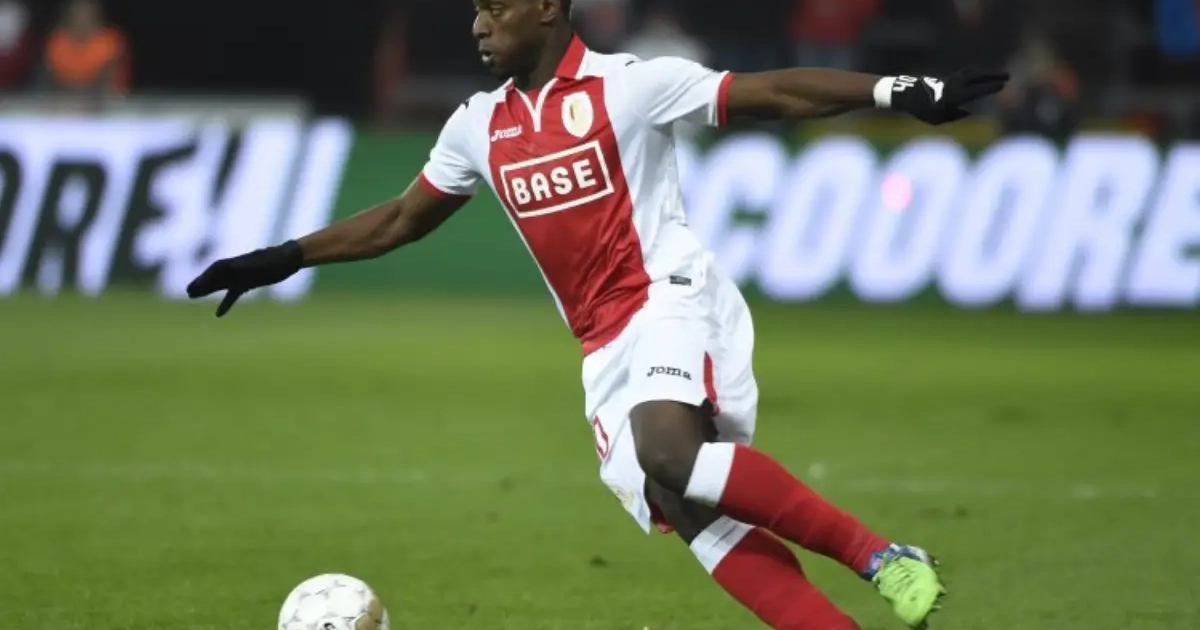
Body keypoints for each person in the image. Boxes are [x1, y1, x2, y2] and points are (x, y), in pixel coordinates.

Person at [186, 1, 1006, 628]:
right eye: (475, 10)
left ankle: (880, 557)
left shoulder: (631, 85)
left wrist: (901, 90)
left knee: (669, 451)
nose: (478, 25)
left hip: (667, 295)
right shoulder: (479, 125)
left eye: (495, 8)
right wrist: (284, 257)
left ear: (547, 6)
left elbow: (771, 92)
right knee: (683, 504)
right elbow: (402, 218)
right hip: (601, 346)